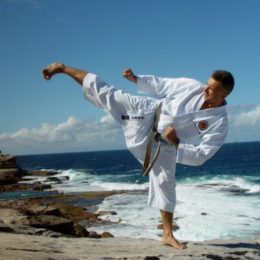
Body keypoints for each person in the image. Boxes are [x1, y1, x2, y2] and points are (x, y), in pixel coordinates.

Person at [42, 63, 234, 250]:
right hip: (148, 112)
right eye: (207, 84)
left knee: (166, 181)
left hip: (166, 144)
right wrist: (136, 79)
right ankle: (63, 68)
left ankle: (167, 235)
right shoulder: (193, 86)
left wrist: (177, 142)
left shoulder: (219, 122)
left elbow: (202, 155)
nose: (205, 89)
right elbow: (163, 84)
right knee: (109, 95)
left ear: (224, 94)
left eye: (211, 89)